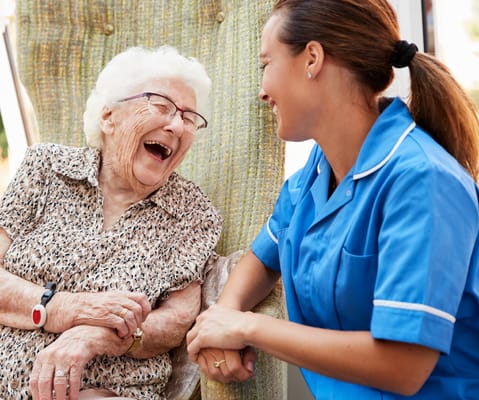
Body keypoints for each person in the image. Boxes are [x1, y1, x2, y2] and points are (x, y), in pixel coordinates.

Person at [186, 0, 479, 398]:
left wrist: (247, 327)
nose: (261, 91)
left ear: (312, 59)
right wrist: (225, 312)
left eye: (266, 64)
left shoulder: (423, 181)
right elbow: (262, 257)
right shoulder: (316, 173)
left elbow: (404, 365)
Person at [0, 45, 222, 400]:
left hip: (108, 392)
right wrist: (65, 310)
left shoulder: (192, 212)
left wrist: (98, 336)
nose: (176, 124)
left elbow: (177, 321)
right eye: (162, 106)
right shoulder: (45, 168)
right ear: (108, 117)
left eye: (189, 117)